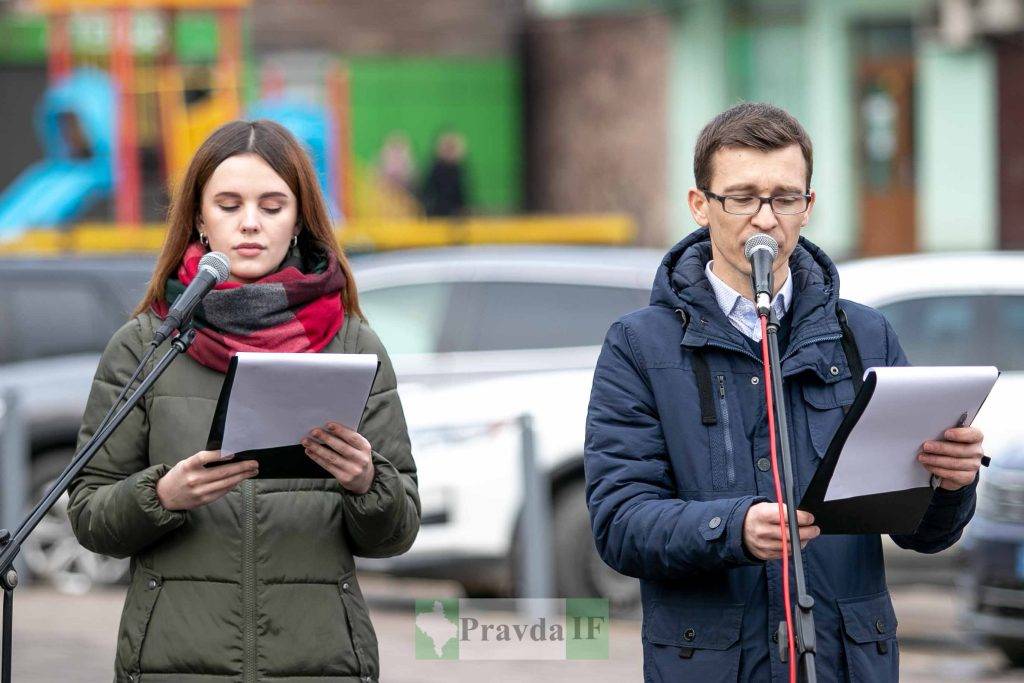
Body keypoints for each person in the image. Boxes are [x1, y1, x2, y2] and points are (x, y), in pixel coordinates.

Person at [584, 102, 984, 682]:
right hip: (715, 664)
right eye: (742, 197)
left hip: (846, 663)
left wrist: (950, 485)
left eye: (784, 198)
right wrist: (734, 528)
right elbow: (620, 523)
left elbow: (925, 534)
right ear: (701, 206)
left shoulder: (865, 336)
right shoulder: (639, 346)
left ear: (808, 206)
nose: (765, 219)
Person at [67, 119, 420, 683]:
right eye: (228, 205)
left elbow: (397, 533)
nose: (250, 223)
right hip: (173, 665)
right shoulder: (146, 343)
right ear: (200, 220)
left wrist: (366, 483)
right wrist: (161, 495)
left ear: (301, 218)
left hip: (319, 663)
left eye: (272, 205)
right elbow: (87, 515)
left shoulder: (352, 342)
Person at [420, 130, 468, 217]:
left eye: (452, 148)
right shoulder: (434, 169)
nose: (449, 151)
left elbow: (463, 197)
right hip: (435, 215)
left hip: (455, 216)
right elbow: (426, 193)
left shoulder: (459, 170)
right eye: (447, 147)